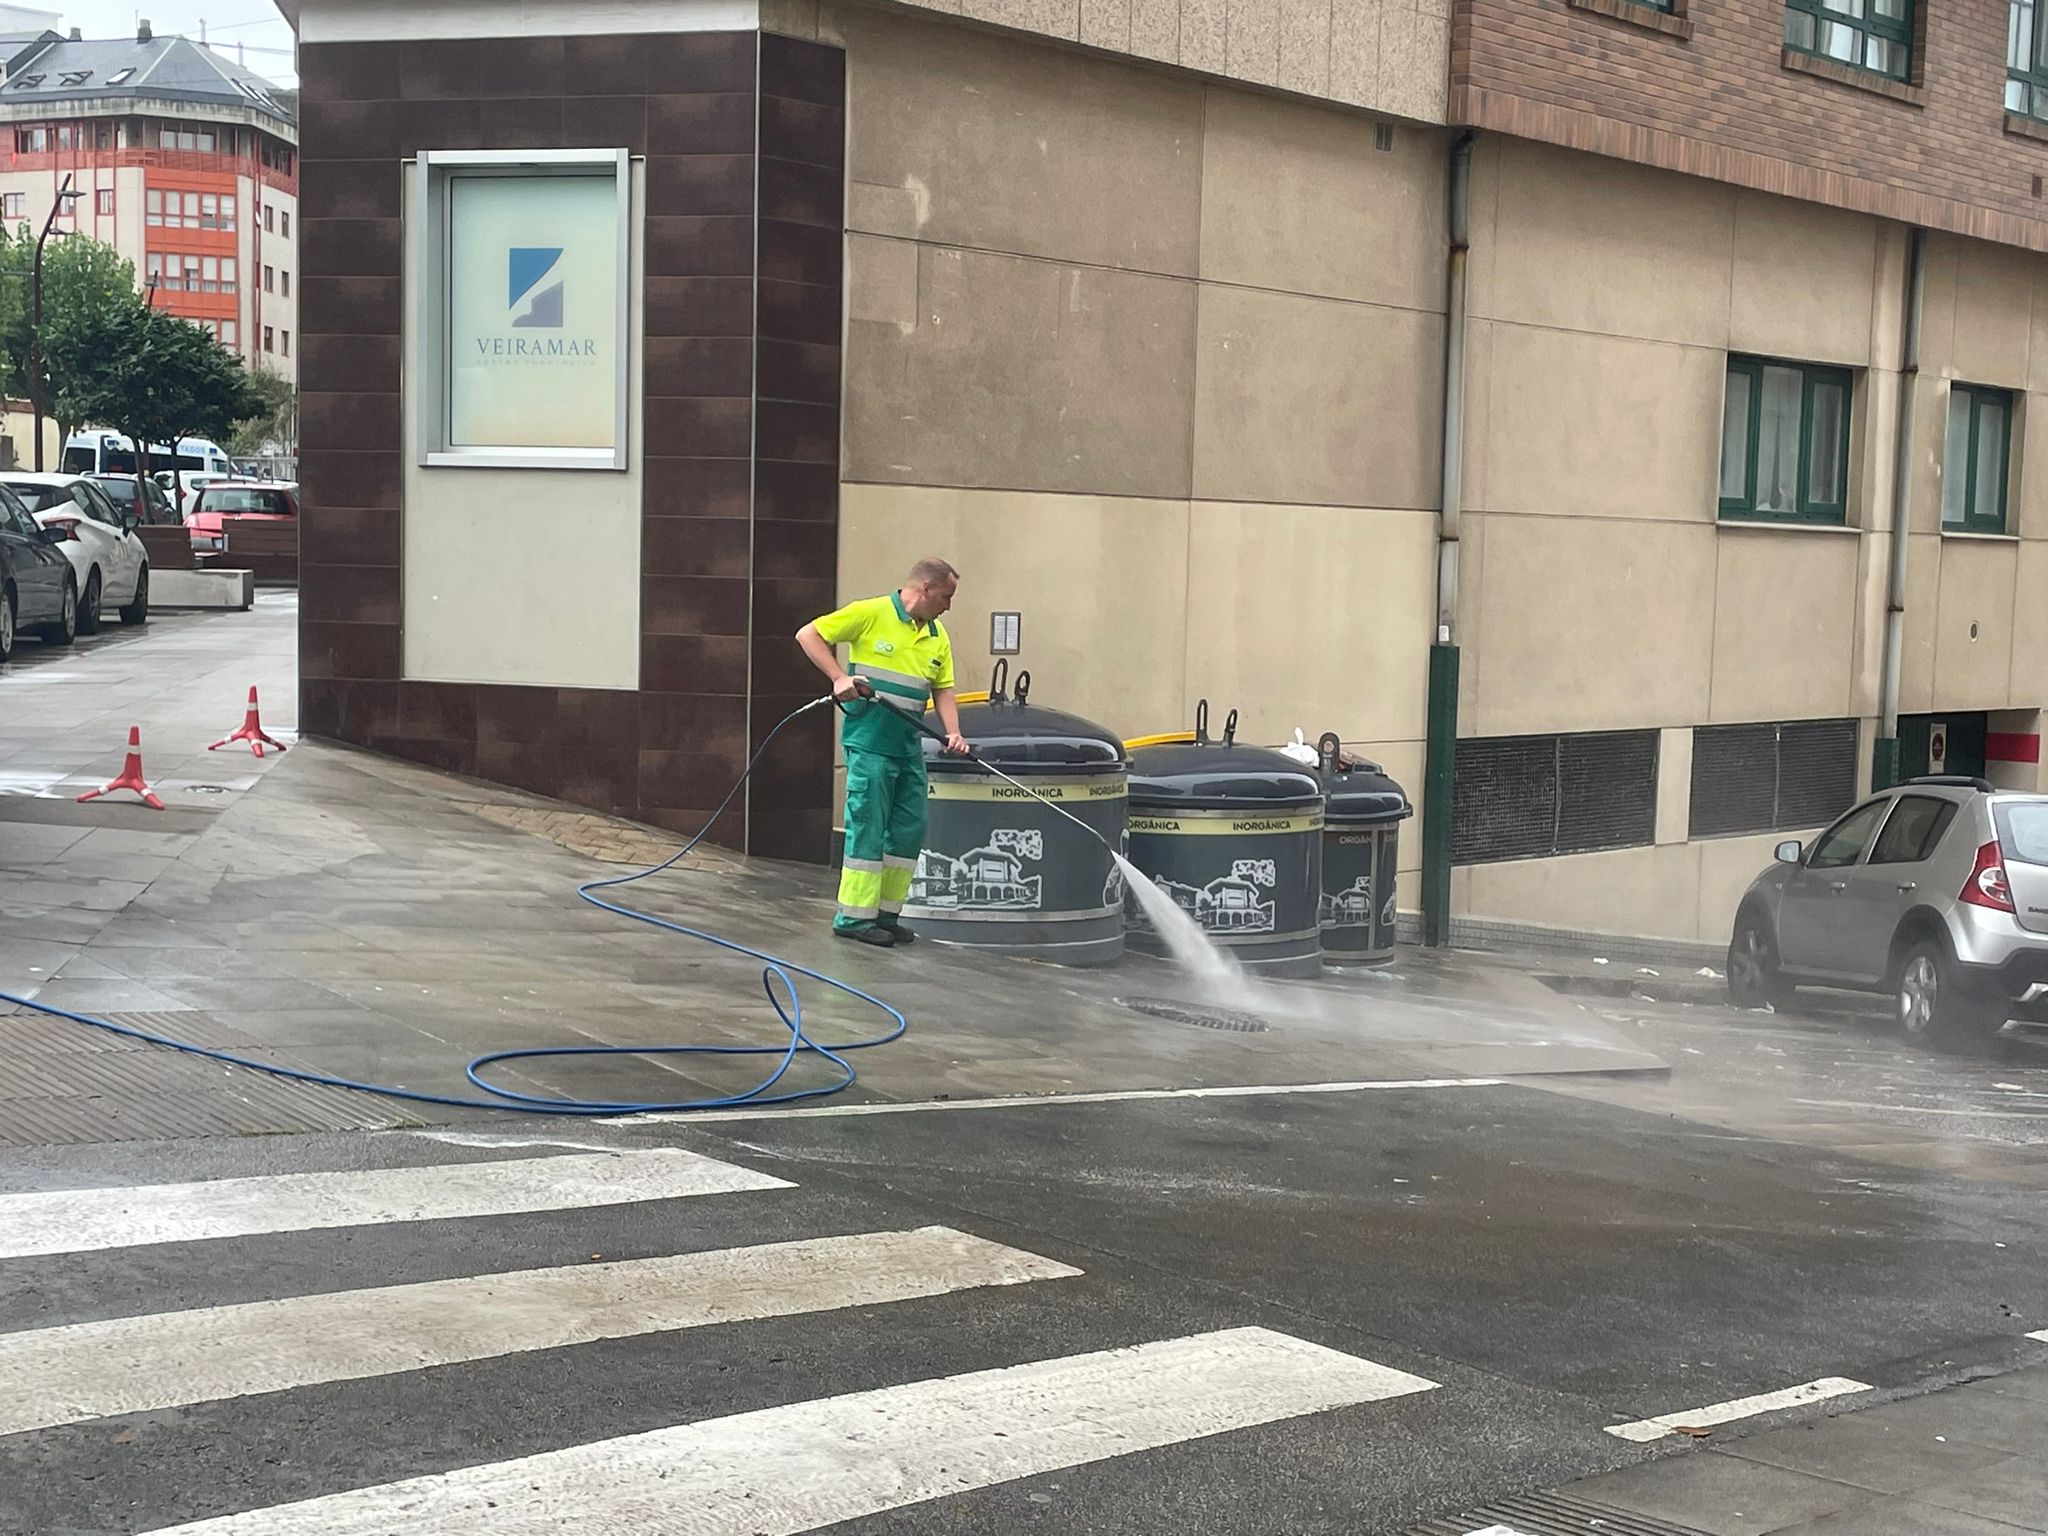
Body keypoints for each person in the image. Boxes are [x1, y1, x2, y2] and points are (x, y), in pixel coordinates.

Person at [796, 558, 969, 947]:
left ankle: (886, 915)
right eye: (947, 596)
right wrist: (839, 678)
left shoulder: (937, 635)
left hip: (908, 746)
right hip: (870, 741)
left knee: (909, 829)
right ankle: (853, 919)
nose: (949, 605)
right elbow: (808, 634)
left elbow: (943, 688)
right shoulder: (870, 613)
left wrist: (953, 732)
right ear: (924, 588)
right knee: (868, 827)